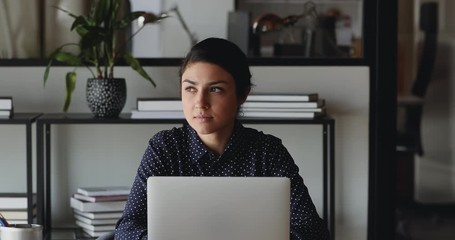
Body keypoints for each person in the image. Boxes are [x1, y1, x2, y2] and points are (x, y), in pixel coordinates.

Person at [114, 37, 329, 240]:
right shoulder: (165, 147)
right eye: (190, 88)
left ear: (242, 94)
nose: (200, 102)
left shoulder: (267, 151)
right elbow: (127, 228)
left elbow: (312, 230)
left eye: (215, 89)